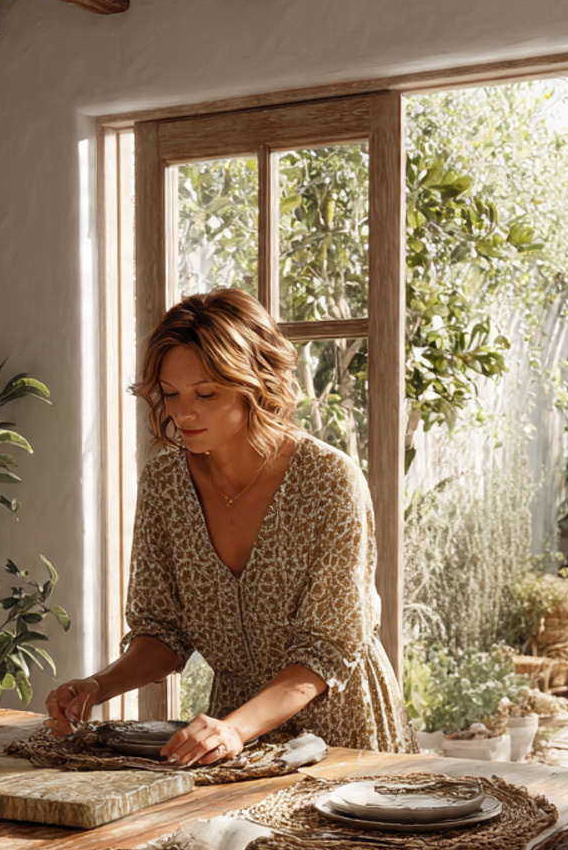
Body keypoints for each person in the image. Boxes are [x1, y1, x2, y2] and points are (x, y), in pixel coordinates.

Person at [46, 288, 414, 765]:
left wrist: (235, 729)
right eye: (171, 393)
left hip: (343, 731)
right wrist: (98, 686)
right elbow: (162, 632)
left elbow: (325, 652)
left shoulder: (329, 481)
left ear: (255, 384)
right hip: (232, 740)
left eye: (206, 394)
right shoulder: (164, 483)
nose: (183, 413)